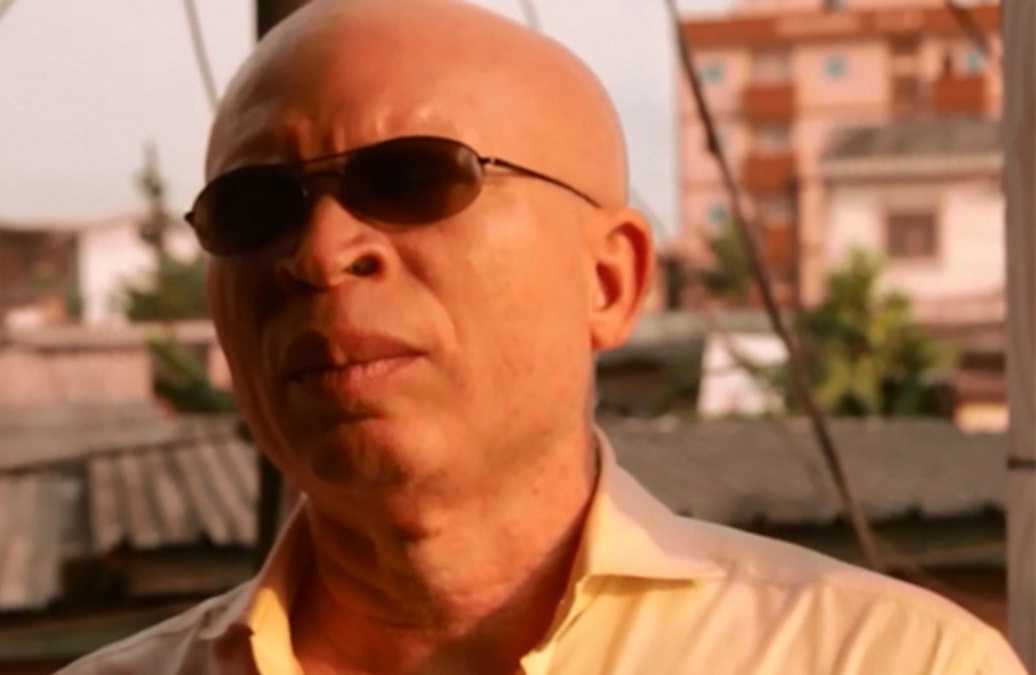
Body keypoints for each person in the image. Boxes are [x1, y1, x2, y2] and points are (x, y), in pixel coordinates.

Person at [59, 0, 1026, 673]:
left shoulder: (889, 661)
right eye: (253, 207)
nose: (319, 253)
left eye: (412, 179)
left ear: (609, 280)